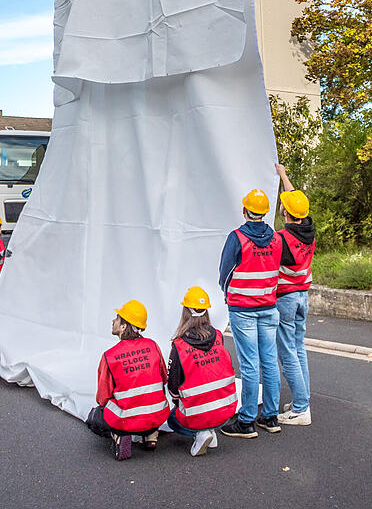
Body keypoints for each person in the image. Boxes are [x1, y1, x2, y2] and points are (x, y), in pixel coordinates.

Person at [219, 188, 283, 438]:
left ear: (245, 210)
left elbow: (224, 273)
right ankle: (270, 416)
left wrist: (229, 296)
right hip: (268, 307)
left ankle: (246, 421)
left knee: (249, 365)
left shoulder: (237, 238)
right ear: (265, 212)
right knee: (269, 362)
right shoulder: (277, 239)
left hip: (243, 310)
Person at [85, 300, 169, 461]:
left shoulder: (109, 356)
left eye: (117, 318)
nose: (113, 321)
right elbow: (164, 378)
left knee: (95, 417)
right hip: (158, 414)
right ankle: (150, 434)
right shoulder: (153, 346)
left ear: (124, 326)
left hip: (126, 420)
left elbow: (102, 398)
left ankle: (120, 435)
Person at [166, 286, 238, 457]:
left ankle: (200, 433)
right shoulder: (219, 337)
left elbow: (173, 388)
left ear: (185, 313)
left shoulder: (179, 345)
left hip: (196, 413)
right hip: (225, 410)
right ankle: (210, 430)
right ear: (206, 312)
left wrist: (180, 405)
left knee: (172, 420)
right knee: (207, 413)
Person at [274, 162, 315, 425]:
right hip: (303, 297)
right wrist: (283, 175)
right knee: (299, 348)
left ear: (285, 213)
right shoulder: (308, 229)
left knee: (287, 352)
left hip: (286, 299)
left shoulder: (280, 240)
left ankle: (300, 409)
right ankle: (303, 400)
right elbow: (297, 201)